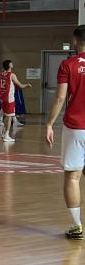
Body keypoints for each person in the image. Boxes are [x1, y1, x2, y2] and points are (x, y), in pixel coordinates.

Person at [45, 25, 85, 240]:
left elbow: (61, 98)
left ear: (76, 40)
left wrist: (50, 123)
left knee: (73, 177)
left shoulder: (68, 64)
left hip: (76, 127)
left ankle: (77, 226)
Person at [0, 60, 31, 144]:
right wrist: (27, 85)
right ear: (9, 65)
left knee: (6, 116)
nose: (12, 63)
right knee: (9, 117)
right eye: (11, 63)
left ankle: (4, 133)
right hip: (9, 98)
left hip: (2, 97)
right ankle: (6, 136)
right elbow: (20, 85)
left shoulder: (0, 74)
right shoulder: (12, 75)